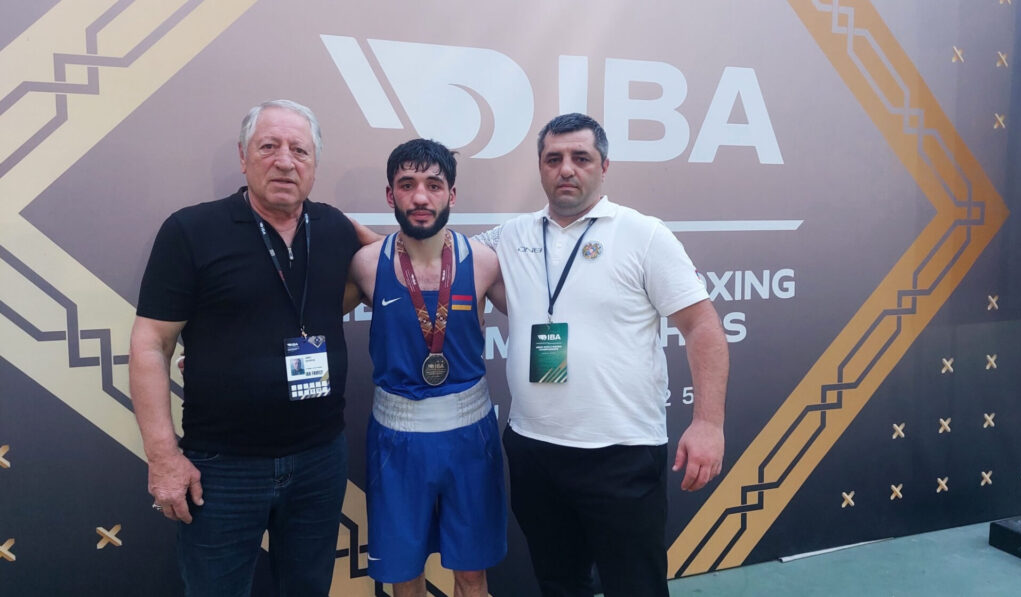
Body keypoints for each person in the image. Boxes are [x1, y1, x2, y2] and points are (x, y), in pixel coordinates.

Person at [482, 113, 729, 597]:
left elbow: (703, 327)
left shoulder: (644, 234)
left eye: (581, 158)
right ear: (540, 167)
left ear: (604, 166)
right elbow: (437, 255)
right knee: (559, 583)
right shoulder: (511, 236)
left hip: (622, 453)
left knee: (635, 587)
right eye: (553, 159)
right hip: (533, 449)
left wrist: (708, 423)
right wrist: (359, 241)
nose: (566, 169)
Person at [129, 99, 360, 596]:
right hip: (222, 467)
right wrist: (163, 456)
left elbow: (395, 256)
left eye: (300, 150)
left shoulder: (335, 228)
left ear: (315, 164)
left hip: (320, 459)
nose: (285, 161)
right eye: (269, 146)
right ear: (243, 156)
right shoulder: (191, 231)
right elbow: (151, 343)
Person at [345, 139, 507, 597]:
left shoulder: (483, 262)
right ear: (390, 194)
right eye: (407, 184)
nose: (420, 197)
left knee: (472, 577)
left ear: (451, 194)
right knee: (404, 576)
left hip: (470, 440)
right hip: (395, 443)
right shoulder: (366, 264)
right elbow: (300, 317)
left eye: (433, 185)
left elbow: (551, 312)